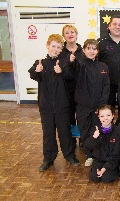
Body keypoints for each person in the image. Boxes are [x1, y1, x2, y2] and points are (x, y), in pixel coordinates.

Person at [28, 34, 80, 172]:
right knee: (48, 132)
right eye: (53, 46)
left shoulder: (64, 62)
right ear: (47, 45)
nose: (55, 49)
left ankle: (69, 155)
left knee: (65, 131)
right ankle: (48, 158)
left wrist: (62, 72)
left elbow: (71, 76)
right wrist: (36, 71)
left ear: (61, 49)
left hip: (62, 104)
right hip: (46, 106)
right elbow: (33, 75)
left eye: (58, 47)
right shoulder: (41, 63)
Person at [72, 39, 110, 165]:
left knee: (97, 129)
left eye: (94, 49)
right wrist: (72, 61)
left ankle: (98, 154)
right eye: (89, 48)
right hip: (83, 107)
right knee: (85, 131)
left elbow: (106, 86)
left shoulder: (103, 67)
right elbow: (73, 68)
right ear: (84, 50)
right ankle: (89, 155)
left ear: (97, 51)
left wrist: (101, 105)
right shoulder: (80, 65)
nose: (91, 51)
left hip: (98, 107)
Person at [84, 104, 120, 183]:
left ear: (113, 116)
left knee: (106, 178)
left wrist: (105, 167)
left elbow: (117, 153)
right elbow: (88, 146)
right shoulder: (95, 130)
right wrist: (94, 138)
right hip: (99, 160)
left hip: (112, 161)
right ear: (99, 117)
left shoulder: (118, 131)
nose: (105, 118)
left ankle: (115, 171)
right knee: (94, 178)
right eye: (102, 116)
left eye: (108, 115)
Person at [60, 25, 83, 125]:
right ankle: (71, 141)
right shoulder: (60, 52)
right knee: (68, 118)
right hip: (65, 91)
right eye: (67, 33)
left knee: (82, 117)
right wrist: (68, 62)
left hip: (81, 89)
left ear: (76, 34)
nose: (70, 34)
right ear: (64, 36)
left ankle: (83, 140)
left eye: (72, 32)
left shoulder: (83, 52)